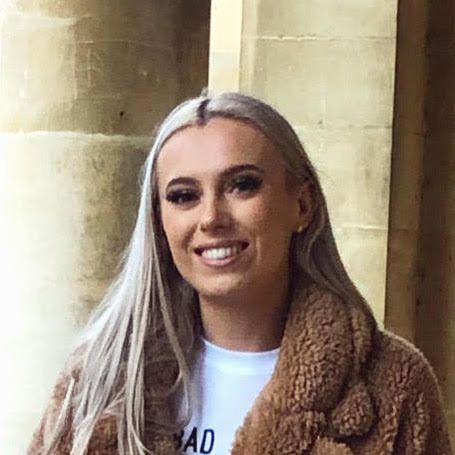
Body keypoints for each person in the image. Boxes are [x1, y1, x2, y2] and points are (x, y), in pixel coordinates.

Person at [28, 92, 452, 455]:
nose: (211, 217)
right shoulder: (100, 378)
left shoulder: (393, 384)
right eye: (184, 196)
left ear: (302, 205)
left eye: (242, 185)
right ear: (159, 221)